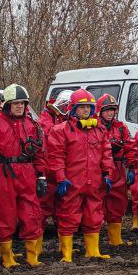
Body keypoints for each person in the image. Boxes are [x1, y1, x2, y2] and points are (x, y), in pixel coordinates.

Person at [46, 88, 115, 262]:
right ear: (73, 108)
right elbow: (56, 156)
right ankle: (66, 254)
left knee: (94, 215)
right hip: (72, 182)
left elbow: (106, 153)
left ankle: (93, 251)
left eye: (89, 107)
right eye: (82, 107)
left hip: (94, 182)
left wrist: (108, 173)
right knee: (68, 215)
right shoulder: (60, 130)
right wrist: (60, 178)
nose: (86, 110)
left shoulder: (99, 129)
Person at [0, 84, 48, 269]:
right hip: (2, 173)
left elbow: (39, 153)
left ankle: (32, 256)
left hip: (27, 172)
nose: (19, 106)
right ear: (6, 105)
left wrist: (41, 177)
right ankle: (7, 257)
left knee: (32, 214)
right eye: (15, 103)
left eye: (22, 103)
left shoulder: (33, 126)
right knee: (4, 215)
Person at [97, 93, 138, 248]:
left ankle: (115, 239)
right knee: (97, 205)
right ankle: (94, 240)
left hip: (119, 169)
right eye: (107, 110)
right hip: (100, 172)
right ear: (100, 111)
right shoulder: (95, 127)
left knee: (118, 203)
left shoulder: (120, 127)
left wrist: (132, 167)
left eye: (112, 110)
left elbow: (131, 146)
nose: (110, 113)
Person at [38, 89, 71, 230]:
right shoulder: (47, 118)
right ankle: (37, 235)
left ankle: (63, 235)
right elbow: (49, 139)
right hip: (49, 166)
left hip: (63, 166)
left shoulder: (66, 120)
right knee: (44, 203)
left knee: (64, 204)